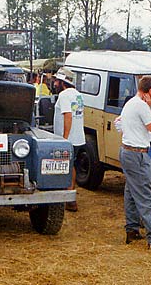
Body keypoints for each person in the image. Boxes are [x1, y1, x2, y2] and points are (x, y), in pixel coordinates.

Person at [119, 76, 151, 249]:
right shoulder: (141, 105)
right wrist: (150, 107)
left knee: (131, 192)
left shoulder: (130, 103)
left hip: (128, 151)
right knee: (147, 194)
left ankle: (132, 229)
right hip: (137, 153)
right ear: (150, 91)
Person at [53, 67, 85, 212]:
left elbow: (68, 116)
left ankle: (68, 199)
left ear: (62, 82)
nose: (54, 84)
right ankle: (70, 196)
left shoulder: (64, 95)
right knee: (71, 166)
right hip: (78, 138)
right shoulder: (78, 94)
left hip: (68, 139)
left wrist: (64, 138)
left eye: (56, 81)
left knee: (65, 167)